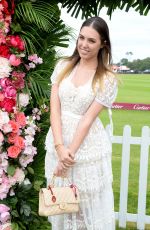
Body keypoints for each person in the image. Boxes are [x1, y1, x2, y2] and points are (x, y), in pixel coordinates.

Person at [45, 16, 118, 230]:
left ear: (103, 43)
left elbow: (87, 120)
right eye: (81, 38)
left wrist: (67, 156)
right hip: (58, 141)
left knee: (84, 207)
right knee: (60, 202)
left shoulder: (107, 79)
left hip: (85, 149)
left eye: (92, 41)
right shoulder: (63, 66)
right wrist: (59, 147)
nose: (84, 45)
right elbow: (55, 109)